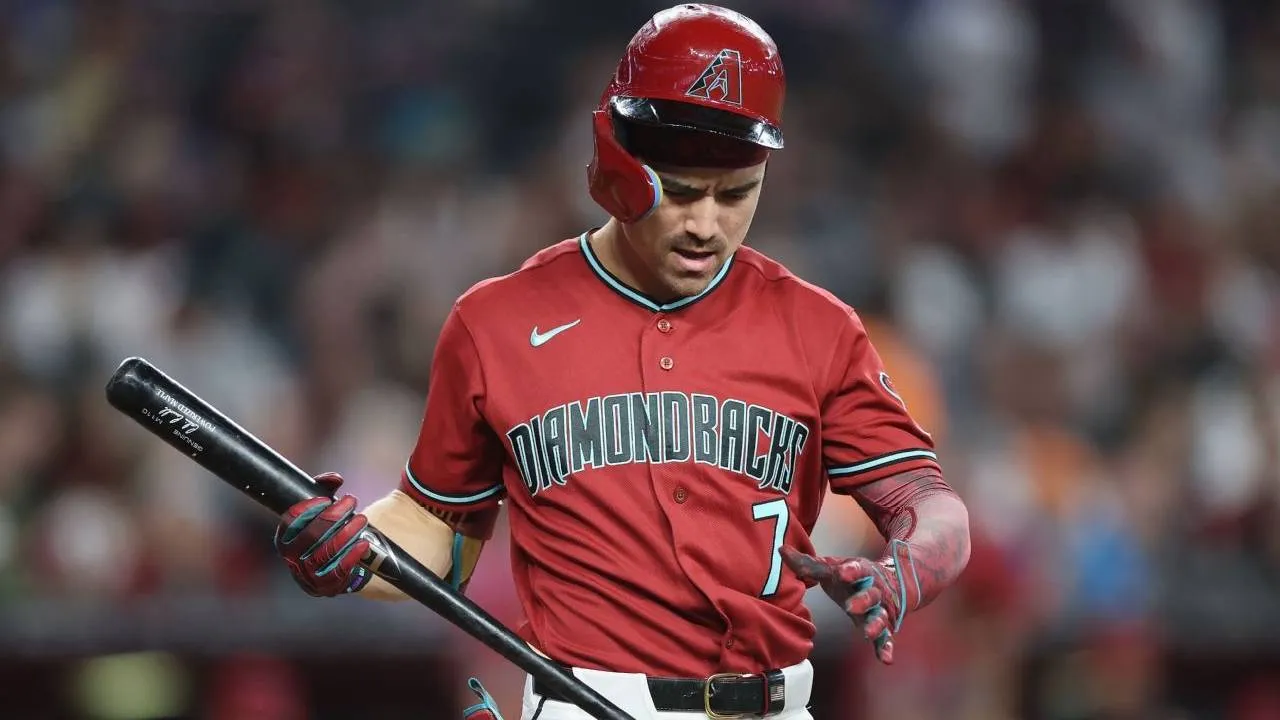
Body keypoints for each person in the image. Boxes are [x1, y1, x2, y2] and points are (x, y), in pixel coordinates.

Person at [271, 5, 971, 719]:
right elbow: (442, 535)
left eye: (736, 195)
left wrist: (906, 572)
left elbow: (930, 504)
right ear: (615, 161)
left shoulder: (817, 327)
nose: (707, 224)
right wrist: (357, 551)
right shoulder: (496, 323)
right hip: (583, 701)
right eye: (682, 191)